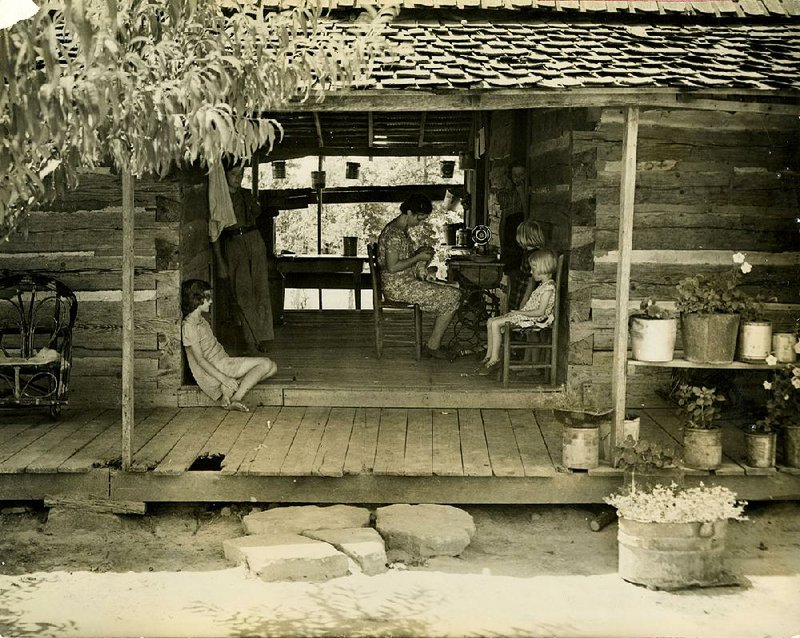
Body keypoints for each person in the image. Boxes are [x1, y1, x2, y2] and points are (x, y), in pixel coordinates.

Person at [378, 194, 461, 359]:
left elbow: (400, 259)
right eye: (419, 218)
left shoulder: (400, 230)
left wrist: (421, 254)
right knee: (453, 296)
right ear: (409, 212)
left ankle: (433, 344)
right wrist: (418, 258)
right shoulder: (394, 234)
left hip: (405, 281)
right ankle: (433, 346)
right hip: (398, 287)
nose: (419, 222)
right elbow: (392, 267)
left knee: (451, 289)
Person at [181, 279, 277, 412]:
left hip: (222, 363)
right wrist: (224, 379)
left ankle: (229, 391)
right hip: (215, 369)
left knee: (273, 368)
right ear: (196, 299)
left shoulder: (200, 320)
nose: (211, 301)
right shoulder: (189, 326)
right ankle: (236, 398)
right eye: (207, 298)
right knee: (266, 364)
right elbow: (200, 361)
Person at [209, 160, 274, 354]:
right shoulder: (219, 199)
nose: (238, 179)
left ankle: (264, 336)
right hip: (234, 244)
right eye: (233, 175)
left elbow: (257, 215)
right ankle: (250, 340)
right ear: (224, 176)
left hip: (254, 241)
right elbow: (215, 234)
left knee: (261, 288)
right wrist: (220, 262)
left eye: (241, 174)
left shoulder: (247, 195)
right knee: (243, 292)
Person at [478, 248, 558, 373]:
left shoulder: (548, 288)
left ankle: (495, 359)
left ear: (543, 269)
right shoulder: (543, 285)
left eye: (534, 269)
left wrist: (520, 312)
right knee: (490, 321)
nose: (531, 272)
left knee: (495, 324)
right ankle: (488, 356)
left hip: (534, 319)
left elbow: (540, 312)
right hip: (528, 316)